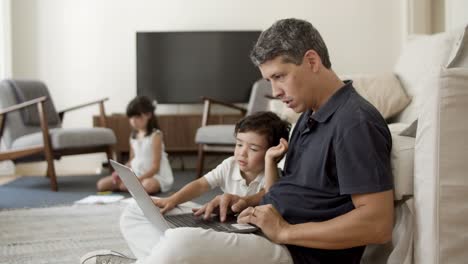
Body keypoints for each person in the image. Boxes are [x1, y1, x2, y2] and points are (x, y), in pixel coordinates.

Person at [81, 18, 394, 264]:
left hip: (295, 251)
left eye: (279, 76)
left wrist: (286, 231)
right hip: (260, 229)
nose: (275, 91)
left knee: (180, 243)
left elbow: (377, 224)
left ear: (312, 61)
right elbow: (290, 190)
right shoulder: (307, 118)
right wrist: (246, 201)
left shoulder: (354, 123)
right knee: (137, 212)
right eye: (269, 80)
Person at [153, 111, 290, 214]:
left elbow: (268, 195)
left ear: (273, 154)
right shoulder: (229, 165)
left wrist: (270, 161)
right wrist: (173, 199)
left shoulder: (273, 173)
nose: (242, 153)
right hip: (229, 221)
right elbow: (201, 184)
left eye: (253, 148)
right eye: (239, 144)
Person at [96, 96, 174, 194]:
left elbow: (155, 167)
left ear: (149, 114)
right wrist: (120, 173)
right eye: (131, 117)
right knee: (101, 184)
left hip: (154, 176)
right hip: (136, 174)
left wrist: (137, 180)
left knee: (148, 185)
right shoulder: (133, 136)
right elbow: (131, 160)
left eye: (137, 117)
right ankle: (132, 187)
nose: (133, 120)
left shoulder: (156, 135)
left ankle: (131, 187)